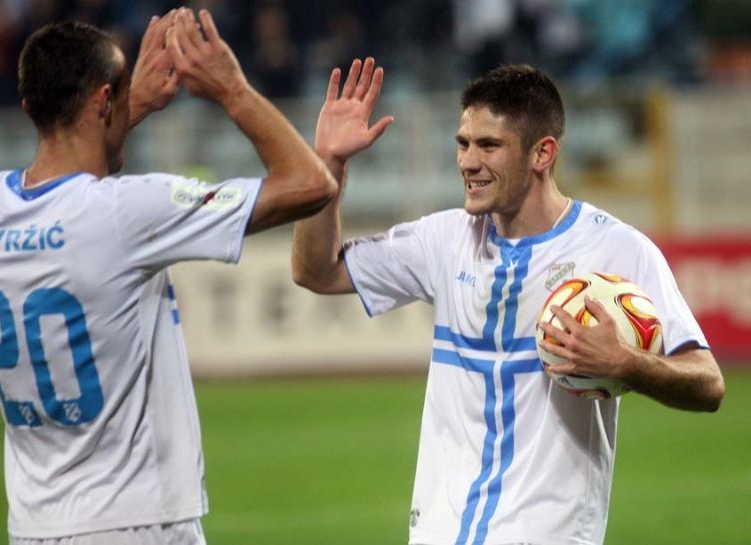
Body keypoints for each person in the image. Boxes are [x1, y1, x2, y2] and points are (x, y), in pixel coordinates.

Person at [292, 61, 725, 545]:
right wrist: (328, 166)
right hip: (437, 533)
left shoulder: (618, 251)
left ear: (543, 153)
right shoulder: (444, 240)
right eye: (463, 143)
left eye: (489, 145)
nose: (468, 162)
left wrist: (626, 363)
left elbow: (708, 383)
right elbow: (316, 271)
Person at [0, 7, 335, 545]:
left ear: (28, 107)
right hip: (135, 519)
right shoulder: (127, 212)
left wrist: (124, 105)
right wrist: (231, 89)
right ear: (103, 101)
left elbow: (64, 181)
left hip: (34, 525)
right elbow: (310, 184)